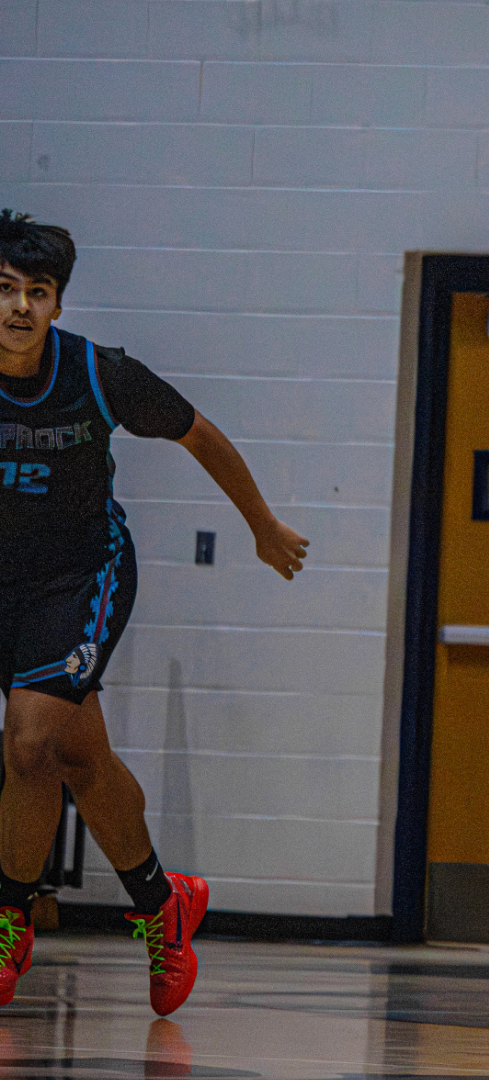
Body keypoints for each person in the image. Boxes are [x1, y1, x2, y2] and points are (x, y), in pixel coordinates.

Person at [0, 210, 310, 1016]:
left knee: (29, 743)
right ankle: (161, 903)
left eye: (38, 292)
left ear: (58, 304)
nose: (20, 306)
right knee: (80, 758)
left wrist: (263, 526)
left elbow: (199, 434)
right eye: (5, 289)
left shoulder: (98, 373)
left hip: (82, 575)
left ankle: (8, 919)